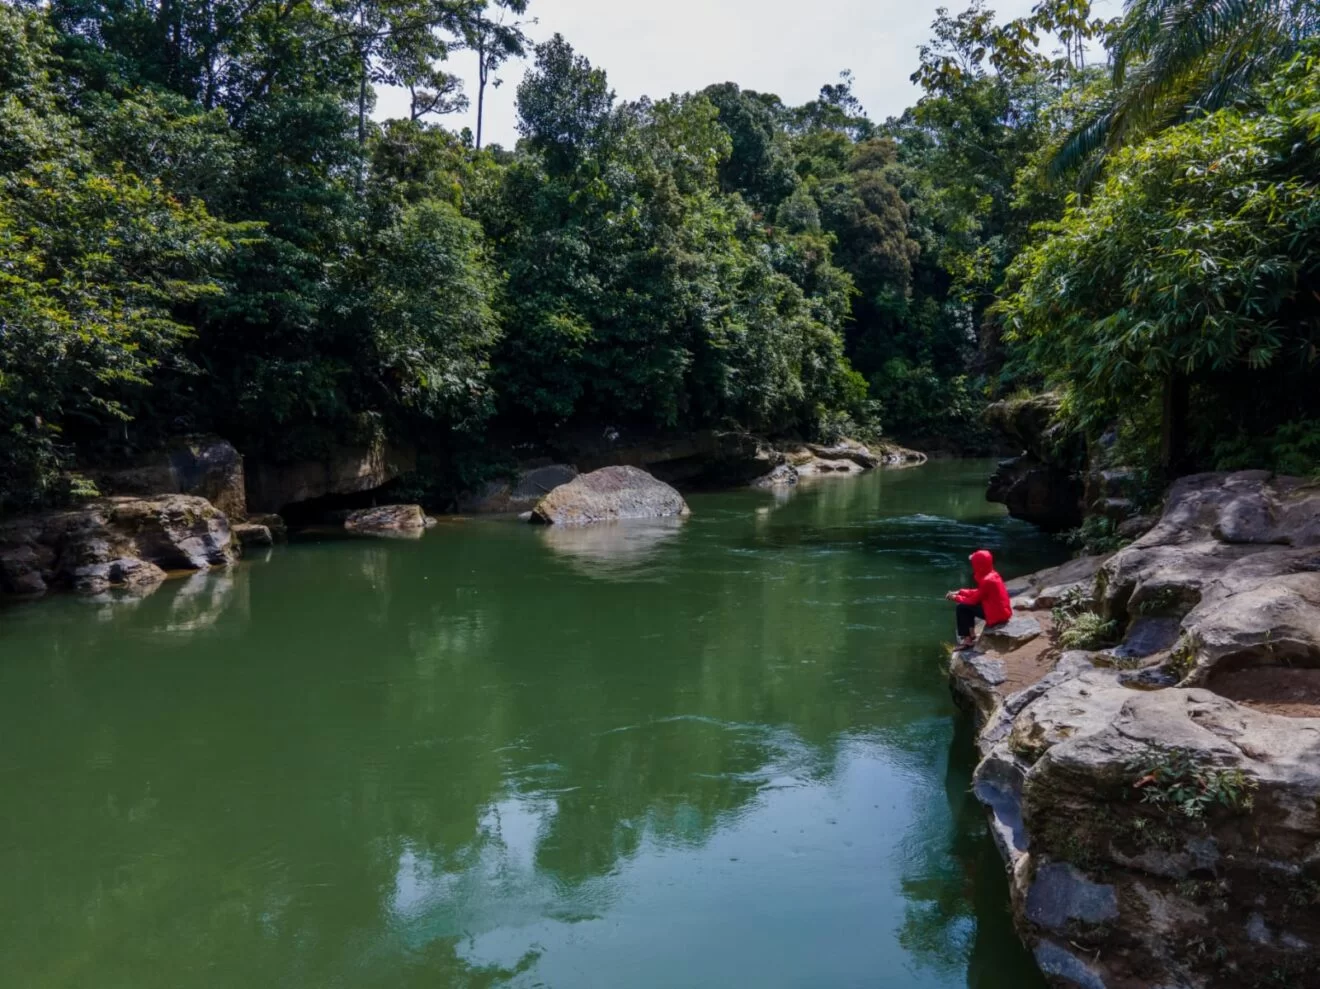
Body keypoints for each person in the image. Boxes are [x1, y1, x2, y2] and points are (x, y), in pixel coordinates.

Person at [946, 549, 1012, 649]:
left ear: (978, 565)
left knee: (962, 607)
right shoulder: (993, 574)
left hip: (996, 616)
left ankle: (967, 641)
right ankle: (971, 634)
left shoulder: (986, 580)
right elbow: (980, 592)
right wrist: (960, 592)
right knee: (966, 606)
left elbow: (973, 600)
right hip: (1002, 612)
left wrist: (955, 597)